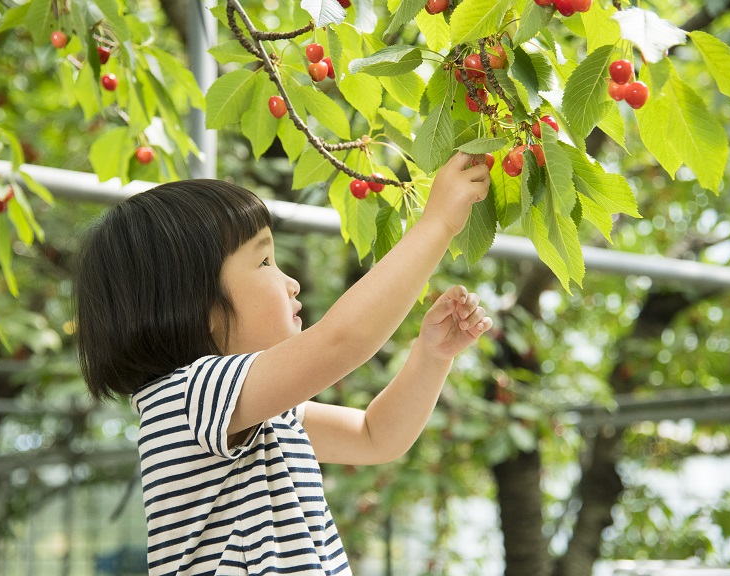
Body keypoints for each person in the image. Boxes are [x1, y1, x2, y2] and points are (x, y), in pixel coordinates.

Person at [74, 151, 493, 576]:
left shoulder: (260, 416)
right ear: (196, 306)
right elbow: (342, 340)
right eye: (264, 261)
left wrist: (431, 356)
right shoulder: (186, 398)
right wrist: (438, 223)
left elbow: (375, 435)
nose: (290, 282)